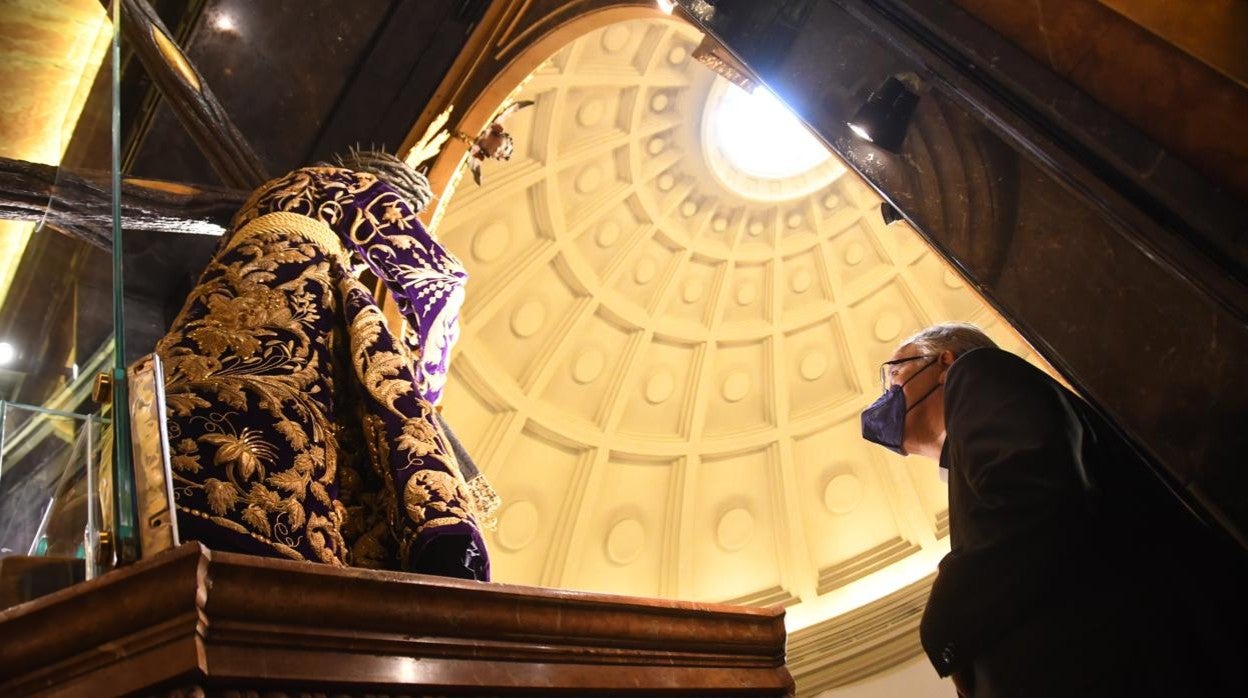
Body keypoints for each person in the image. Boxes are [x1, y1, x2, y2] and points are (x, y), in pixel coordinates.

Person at [155, 150, 496, 580]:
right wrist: (427, 382)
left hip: (216, 309)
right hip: (294, 301)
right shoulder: (341, 187)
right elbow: (437, 278)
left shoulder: (268, 195)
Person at [860, 322, 1248, 697]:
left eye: (895, 370)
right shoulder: (966, 463)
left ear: (944, 363)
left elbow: (1032, 488)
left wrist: (944, 626)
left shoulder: (975, 373)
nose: (887, 392)